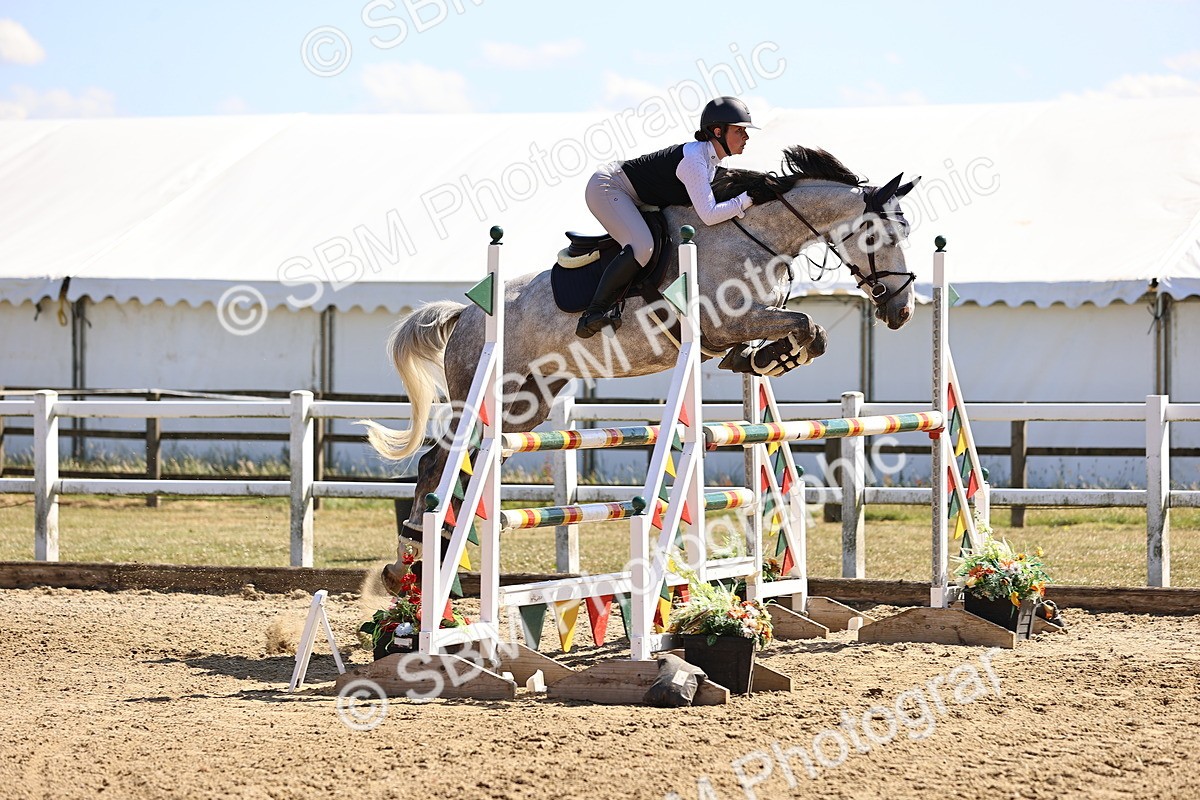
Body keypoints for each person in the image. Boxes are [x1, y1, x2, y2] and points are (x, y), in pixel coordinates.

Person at [575, 96, 758, 338]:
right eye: (740, 131)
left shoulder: (709, 161)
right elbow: (709, 215)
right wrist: (746, 199)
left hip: (631, 194)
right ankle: (593, 313)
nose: (746, 137)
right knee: (642, 247)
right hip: (608, 187)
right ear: (717, 131)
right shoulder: (695, 160)